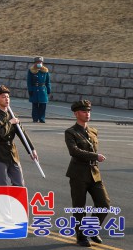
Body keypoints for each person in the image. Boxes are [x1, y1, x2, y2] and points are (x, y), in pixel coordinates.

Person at [65, 100, 111, 247]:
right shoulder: (71, 132)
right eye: (84, 112)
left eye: (89, 111)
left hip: (94, 172)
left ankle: (91, 229)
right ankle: (80, 236)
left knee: (104, 204)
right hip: (78, 173)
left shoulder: (93, 131)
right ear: (76, 113)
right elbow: (74, 151)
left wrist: (94, 159)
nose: (87, 114)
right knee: (79, 206)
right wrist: (94, 156)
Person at [0, 86, 36, 186]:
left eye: (8, 97)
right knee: (3, 185)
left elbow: (22, 134)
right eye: (3, 97)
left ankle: (15, 202)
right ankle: (3, 202)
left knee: (20, 184)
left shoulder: (12, 114)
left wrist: (31, 150)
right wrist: (10, 122)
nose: (7, 99)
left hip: (13, 154)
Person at [26, 56, 51, 123]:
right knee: (35, 105)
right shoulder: (31, 70)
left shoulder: (45, 70)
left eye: (40, 62)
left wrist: (48, 89)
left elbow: (48, 81)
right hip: (35, 89)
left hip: (43, 89)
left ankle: (42, 118)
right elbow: (29, 81)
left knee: (43, 105)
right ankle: (35, 118)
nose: (39, 63)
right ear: (35, 63)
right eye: (37, 62)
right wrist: (30, 90)